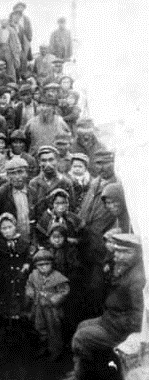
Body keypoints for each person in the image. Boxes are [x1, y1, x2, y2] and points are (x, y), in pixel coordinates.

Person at [71, 234, 145, 380]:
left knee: (81, 338)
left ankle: (84, 376)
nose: (116, 255)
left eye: (122, 252)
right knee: (82, 326)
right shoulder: (124, 267)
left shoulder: (136, 278)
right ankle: (85, 370)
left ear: (135, 254)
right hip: (110, 319)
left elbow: (138, 317)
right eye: (116, 250)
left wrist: (115, 323)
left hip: (118, 329)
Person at [78, 150, 121, 318]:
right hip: (86, 242)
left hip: (102, 247)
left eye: (106, 163)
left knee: (98, 287)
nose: (101, 167)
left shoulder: (118, 184)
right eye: (98, 163)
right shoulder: (95, 182)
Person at [25, 248, 70, 360]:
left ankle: (55, 350)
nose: (44, 267)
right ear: (36, 266)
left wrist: (52, 298)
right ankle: (43, 347)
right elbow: (29, 285)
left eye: (47, 264)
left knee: (53, 329)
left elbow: (64, 292)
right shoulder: (34, 275)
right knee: (39, 327)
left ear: (52, 264)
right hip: (38, 307)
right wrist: (30, 293)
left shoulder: (58, 277)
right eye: (40, 265)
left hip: (52, 309)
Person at [0, 157, 35, 242]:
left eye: (20, 172)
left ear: (26, 173)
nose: (17, 177)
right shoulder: (2, 193)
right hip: (8, 241)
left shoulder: (32, 192)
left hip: (29, 239)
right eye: (12, 173)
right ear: (7, 176)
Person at [0, 213, 31, 321]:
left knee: (20, 300)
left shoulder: (23, 242)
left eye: (10, 227)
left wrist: (27, 264)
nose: (7, 231)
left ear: (15, 226)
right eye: (4, 228)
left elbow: (28, 255)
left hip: (21, 277)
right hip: (5, 278)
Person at [28, 146, 75, 220]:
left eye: (51, 160)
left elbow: (71, 209)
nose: (48, 164)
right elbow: (32, 210)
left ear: (57, 161)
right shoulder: (34, 183)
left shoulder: (65, 182)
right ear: (39, 162)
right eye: (44, 160)